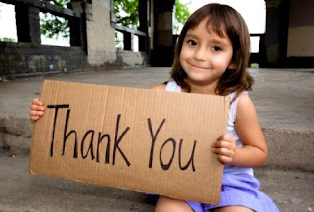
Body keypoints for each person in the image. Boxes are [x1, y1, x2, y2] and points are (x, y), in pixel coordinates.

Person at [29, 3, 279, 212]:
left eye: (216, 47)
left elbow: (259, 152)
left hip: (230, 183)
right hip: (179, 181)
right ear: (181, 45)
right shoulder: (162, 94)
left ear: (234, 60)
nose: (200, 55)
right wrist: (50, 115)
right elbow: (113, 122)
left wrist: (235, 154)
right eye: (192, 42)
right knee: (168, 209)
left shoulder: (237, 102)